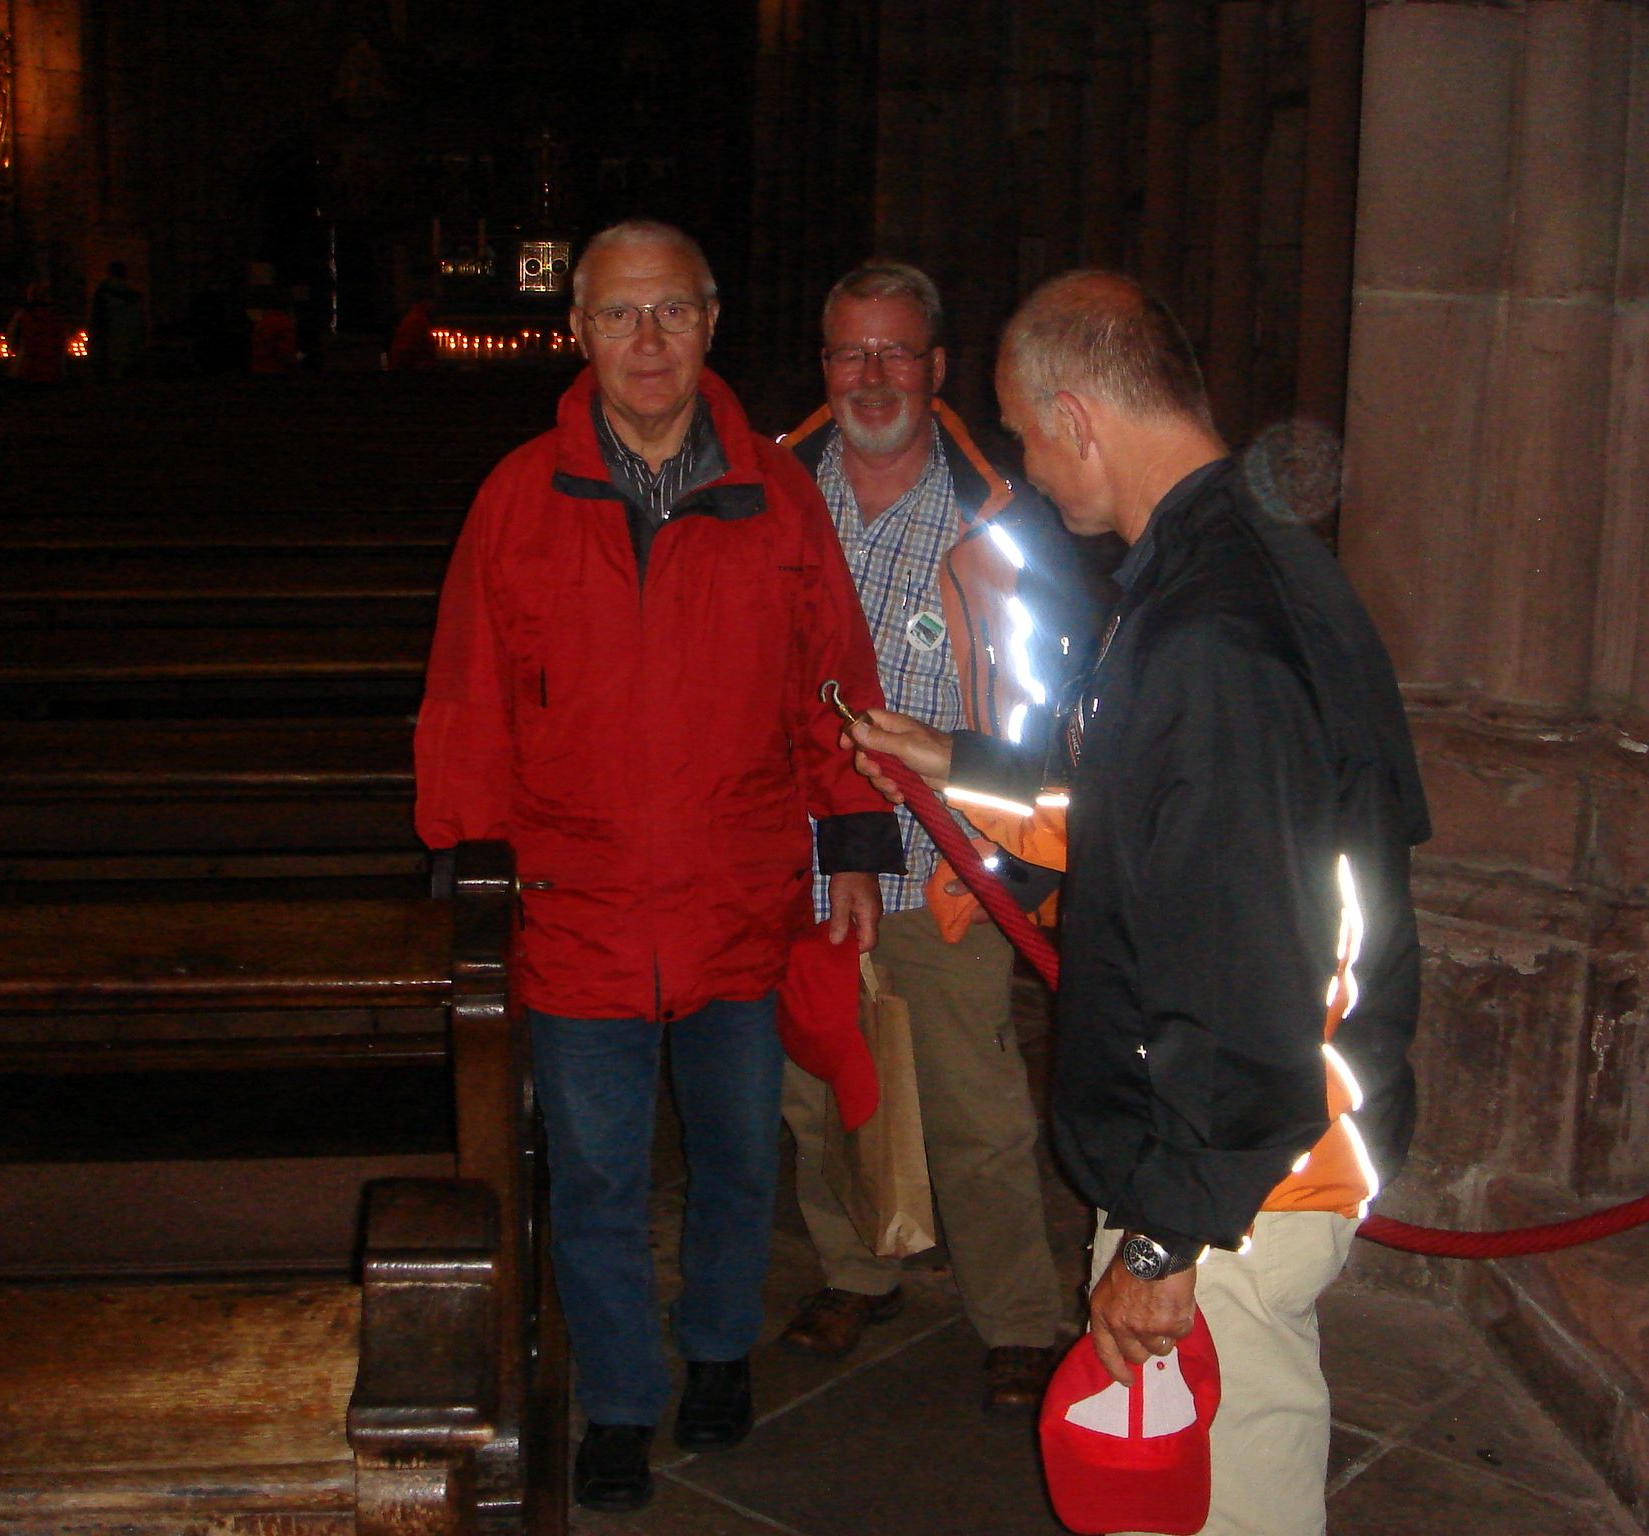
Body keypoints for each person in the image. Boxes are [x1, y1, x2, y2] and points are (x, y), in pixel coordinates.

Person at [846, 271, 1430, 1536]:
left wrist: (1166, 1240)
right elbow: (1151, 815)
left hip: (1242, 1168)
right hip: (1237, 1151)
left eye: (1024, 432)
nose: (1027, 465)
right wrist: (956, 765)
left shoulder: (1214, 626)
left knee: (1225, 1503)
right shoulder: (1225, 566)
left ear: (1075, 415)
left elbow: (1249, 957)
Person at [414, 220, 901, 1516]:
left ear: (711, 323)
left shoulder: (774, 493)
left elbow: (834, 682)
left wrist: (854, 842)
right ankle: (623, 1398)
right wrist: (469, 859)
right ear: (577, 330)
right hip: (576, 901)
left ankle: (720, 1347)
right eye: (621, 314)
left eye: (673, 311)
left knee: (739, 1157)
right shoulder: (519, 498)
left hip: (737, 893)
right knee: (597, 1178)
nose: (647, 340)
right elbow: (468, 693)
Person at [775, 262, 1090, 1412]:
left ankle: (1016, 1313)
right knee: (820, 1089)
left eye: (894, 352)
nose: (871, 377)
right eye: (849, 353)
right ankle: (858, 1267)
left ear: (935, 367)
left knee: (974, 1106)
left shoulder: (997, 518)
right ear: (823, 366)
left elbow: (1046, 705)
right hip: (800, 859)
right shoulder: (767, 497)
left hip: (943, 861)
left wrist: (1011, 839)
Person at [89, 262, 148, 381]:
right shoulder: (134, 296)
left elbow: (97, 320)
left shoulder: (103, 294)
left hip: (109, 340)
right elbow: (141, 321)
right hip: (129, 341)